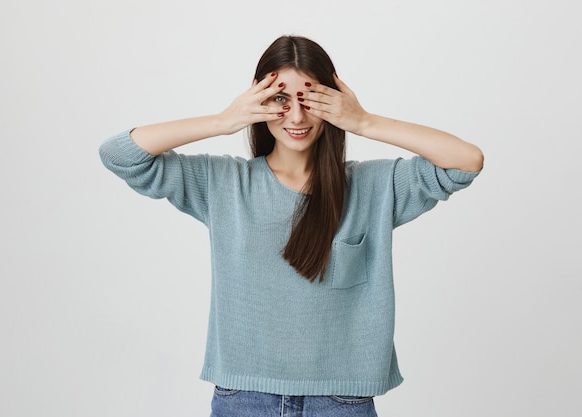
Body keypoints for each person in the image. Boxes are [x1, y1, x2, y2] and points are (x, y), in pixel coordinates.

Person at [99, 35, 484, 417]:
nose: (297, 117)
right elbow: (120, 154)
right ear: (258, 100)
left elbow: (466, 161)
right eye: (280, 99)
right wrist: (224, 120)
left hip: (341, 401)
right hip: (243, 397)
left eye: (311, 99)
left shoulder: (373, 187)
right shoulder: (223, 184)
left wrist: (363, 122)